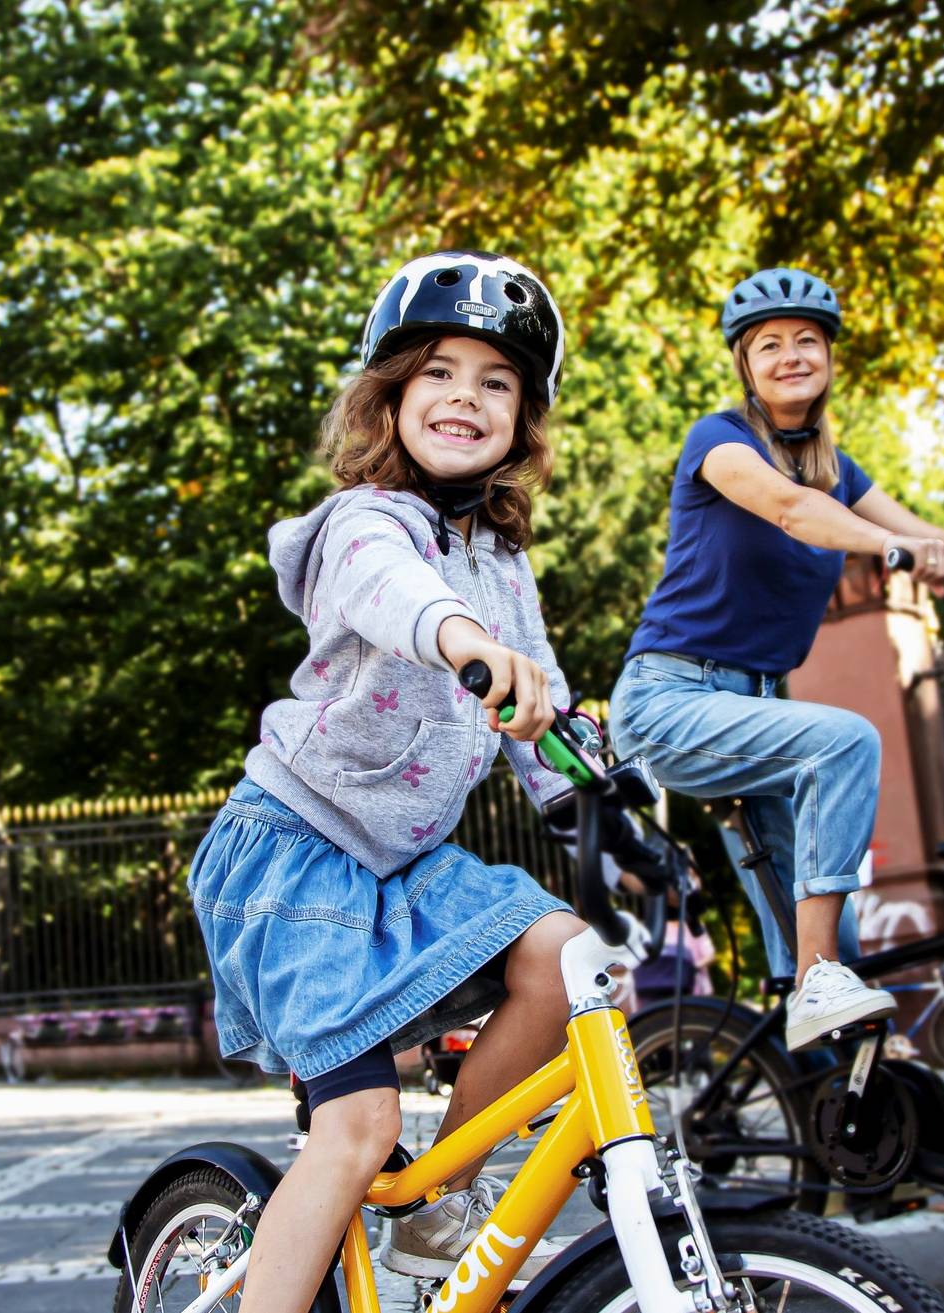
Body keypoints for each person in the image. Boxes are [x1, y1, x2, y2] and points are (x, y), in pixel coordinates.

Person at [187, 251, 584, 1311]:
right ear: (391, 395)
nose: (466, 396)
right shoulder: (363, 522)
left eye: (496, 381)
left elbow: (541, 713)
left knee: (568, 953)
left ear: (522, 419)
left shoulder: (501, 561)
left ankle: (434, 1199)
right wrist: (466, 641)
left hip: (405, 865)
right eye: (439, 372)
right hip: (293, 855)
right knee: (358, 1124)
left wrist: (603, 797)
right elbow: (394, 590)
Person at [610, 267, 944, 1051]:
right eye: (769, 345)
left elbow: (932, 533)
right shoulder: (719, 440)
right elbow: (791, 510)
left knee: (830, 927)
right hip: (671, 702)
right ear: (745, 366)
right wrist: (893, 548)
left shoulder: (838, 471)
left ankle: (848, 1082)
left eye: (807, 339)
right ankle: (815, 985)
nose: (791, 354)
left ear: (831, 357)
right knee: (845, 739)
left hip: (756, 715)